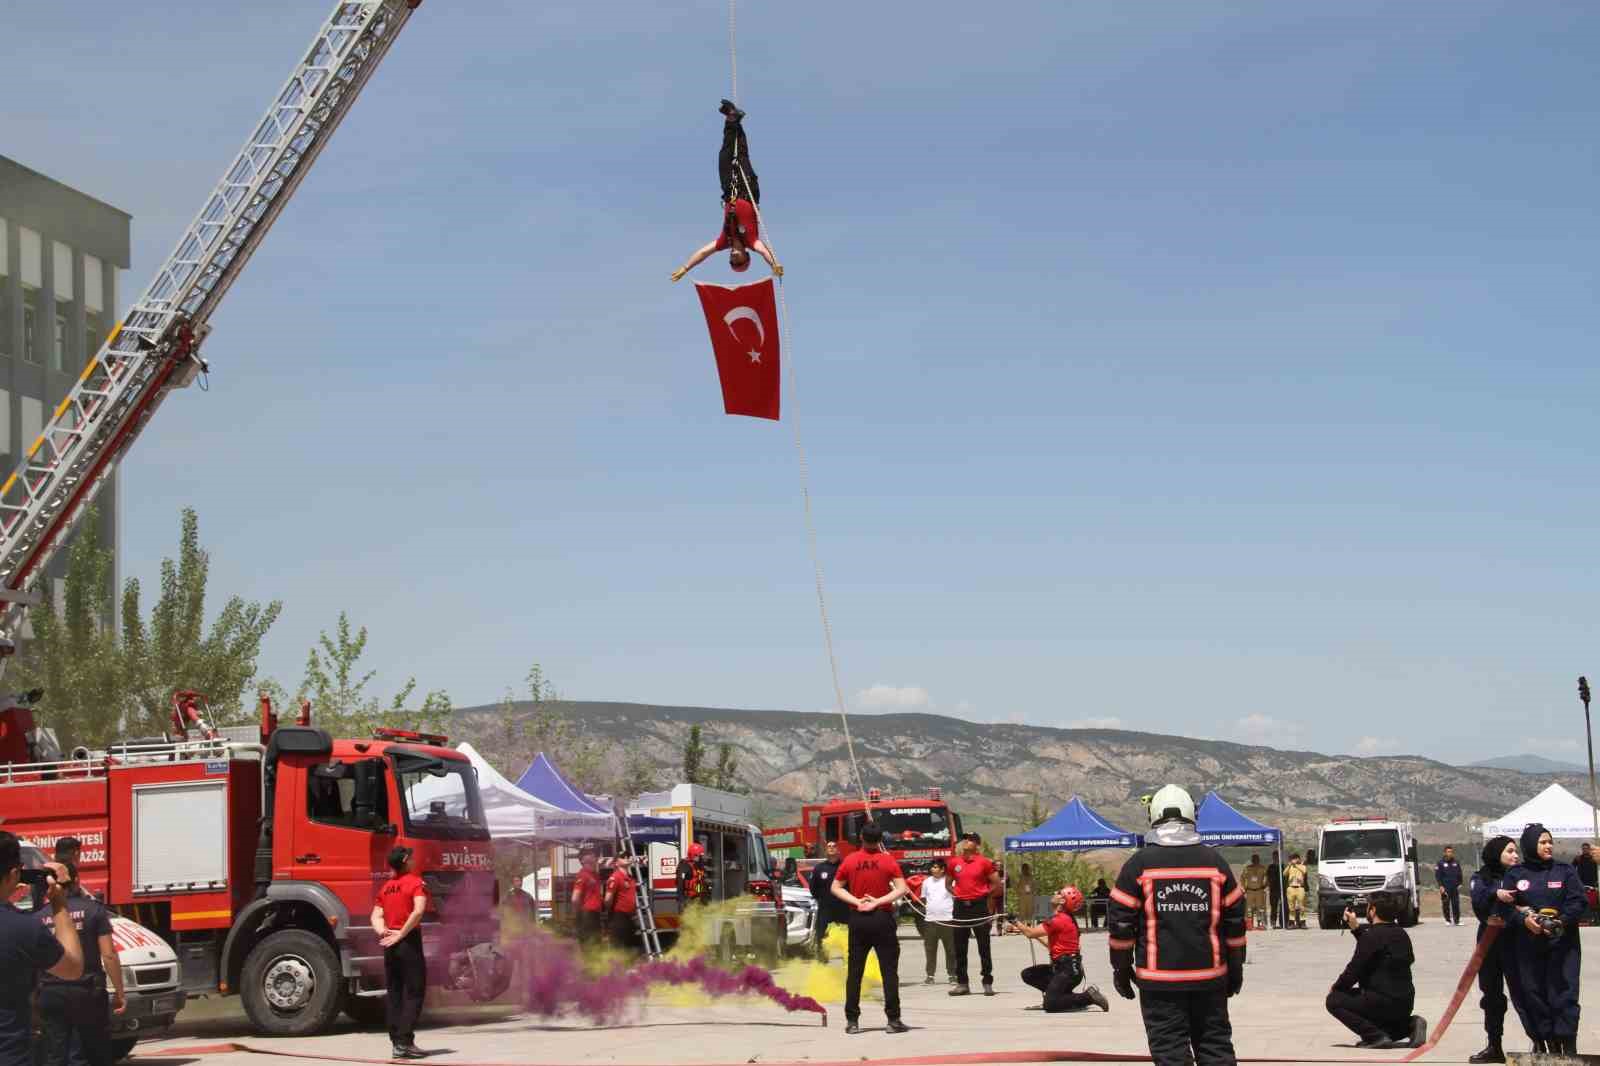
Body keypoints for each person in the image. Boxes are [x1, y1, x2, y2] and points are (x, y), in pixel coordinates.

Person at [1108, 784, 1244, 1066]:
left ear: (1154, 816)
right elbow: (1235, 923)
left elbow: (1121, 925)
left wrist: (1121, 968)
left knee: (1170, 1053)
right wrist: (1236, 966)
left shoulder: (1140, 864)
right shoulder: (1214, 862)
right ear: (1191, 816)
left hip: (1160, 982)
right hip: (1209, 977)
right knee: (1215, 1049)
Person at [1496, 823, 1585, 1055]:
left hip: (1563, 945)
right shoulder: (1515, 874)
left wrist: (1561, 921)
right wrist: (1524, 920)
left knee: (1564, 994)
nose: (1548, 846)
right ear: (1530, 845)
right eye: (1542, 842)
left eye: (1550, 842)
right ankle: (1546, 1042)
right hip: (1528, 946)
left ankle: (1568, 1043)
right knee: (1534, 994)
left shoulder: (1564, 871)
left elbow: (1578, 902)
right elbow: (1505, 909)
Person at [671, 105, 782, 282]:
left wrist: (685, 268)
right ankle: (736, 121)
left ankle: (732, 119)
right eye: (738, 261)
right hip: (747, 192)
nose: (733, 258)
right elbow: (763, 251)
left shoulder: (725, 241)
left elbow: (703, 253)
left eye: (731, 261)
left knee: (724, 157)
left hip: (729, 192)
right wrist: (774, 264)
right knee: (742, 156)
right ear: (746, 256)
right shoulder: (752, 241)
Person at [35, 860, 122, 1066]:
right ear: (75, 881)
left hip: (51, 991)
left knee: (55, 1053)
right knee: (92, 1051)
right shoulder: (94, 911)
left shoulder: (38, 916)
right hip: (87, 990)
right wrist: (119, 992)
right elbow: (108, 954)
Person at [830, 824, 910, 1035]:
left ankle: (852, 1021)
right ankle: (893, 1020)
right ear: (880, 839)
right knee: (889, 971)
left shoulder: (850, 860)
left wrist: (857, 902)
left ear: (861, 838)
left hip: (859, 919)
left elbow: (835, 887)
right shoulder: (887, 860)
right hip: (882, 917)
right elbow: (902, 889)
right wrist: (878, 902)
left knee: (855, 972)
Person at [1326, 892, 1427, 1049]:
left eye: (1368, 907)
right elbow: (1378, 947)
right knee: (1387, 1030)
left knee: (1333, 1001)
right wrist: (1357, 929)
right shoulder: (1401, 934)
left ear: (1372, 910)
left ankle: (1376, 1037)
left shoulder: (1371, 937)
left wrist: (1337, 988)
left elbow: (1353, 970)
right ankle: (1411, 1025)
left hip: (1381, 1001)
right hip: (1405, 1002)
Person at [1009, 886, 1110, 1014]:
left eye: (1058, 893)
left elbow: (1030, 933)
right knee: (1028, 974)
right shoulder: (1065, 918)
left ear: (1062, 901)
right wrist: (1026, 931)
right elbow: (1050, 944)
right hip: (1065, 968)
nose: (1054, 894)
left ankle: (1088, 997)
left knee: (1050, 1005)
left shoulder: (1058, 920)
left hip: (1068, 970)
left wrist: (1014, 921)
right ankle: (1062, 996)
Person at [373, 845, 429, 1060]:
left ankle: (397, 1042)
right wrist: (401, 934)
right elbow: (418, 911)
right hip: (407, 941)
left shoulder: (386, 887)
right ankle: (405, 1042)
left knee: (395, 992)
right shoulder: (415, 882)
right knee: (415, 991)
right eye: (412, 858)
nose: (414, 861)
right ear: (406, 860)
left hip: (390, 943)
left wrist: (383, 932)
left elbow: (375, 915)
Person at [1468, 835, 1517, 1064]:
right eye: (1509, 851)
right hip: (1489, 942)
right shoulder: (1482, 878)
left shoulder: (1521, 876)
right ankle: (1494, 1045)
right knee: (1492, 995)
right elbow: (1477, 900)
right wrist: (1494, 894)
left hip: (1517, 940)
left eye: (1516, 851)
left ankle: (1543, 1045)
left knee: (1527, 994)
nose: (1515, 855)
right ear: (1497, 853)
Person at [949, 836, 1000, 996]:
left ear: (976, 847)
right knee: (959, 947)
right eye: (964, 842)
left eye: (969, 842)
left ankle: (987, 982)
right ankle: (962, 983)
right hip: (960, 908)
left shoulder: (984, 862)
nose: (965, 845)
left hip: (979, 906)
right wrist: (957, 895)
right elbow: (948, 884)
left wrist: (984, 895)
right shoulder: (954, 863)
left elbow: (996, 882)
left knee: (984, 946)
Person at [918, 857, 956, 984]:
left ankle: (952, 975)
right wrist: (930, 909)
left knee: (951, 950)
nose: (932, 869)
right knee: (930, 950)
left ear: (942, 869)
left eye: (935, 867)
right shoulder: (926, 882)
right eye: (932, 867)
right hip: (930, 921)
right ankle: (930, 976)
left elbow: (956, 897)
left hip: (948, 920)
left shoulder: (950, 881)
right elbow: (923, 899)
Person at [809, 841, 844, 961]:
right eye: (829, 846)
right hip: (825, 909)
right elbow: (813, 889)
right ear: (825, 850)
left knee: (848, 937)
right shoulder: (819, 868)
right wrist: (822, 899)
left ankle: (849, 962)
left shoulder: (844, 866)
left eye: (834, 846)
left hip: (843, 908)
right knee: (821, 938)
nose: (831, 848)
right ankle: (822, 961)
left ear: (838, 850)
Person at [571, 849, 605, 945]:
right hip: (587, 915)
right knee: (589, 945)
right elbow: (575, 898)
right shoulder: (582, 875)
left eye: (593, 854)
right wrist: (580, 914)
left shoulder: (595, 875)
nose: (593, 856)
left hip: (595, 914)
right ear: (582, 860)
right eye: (589, 854)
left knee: (597, 945)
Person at [604, 857, 639, 952]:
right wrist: (611, 913)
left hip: (630, 916)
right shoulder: (615, 877)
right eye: (623, 857)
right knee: (619, 947)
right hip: (619, 916)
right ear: (616, 863)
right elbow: (607, 899)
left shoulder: (630, 878)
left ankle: (628, 966)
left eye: (628, 856)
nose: (626, 858)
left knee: (629, 947)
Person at [678, 841, 711, 910]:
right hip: (689, 898)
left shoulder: (699, 865)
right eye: (699, 856)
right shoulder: (684, 865)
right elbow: (680, 882)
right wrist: (681, 898)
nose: (700, 858)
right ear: (693, 855)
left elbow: (701, 879)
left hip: (699, 897)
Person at [1436, 846, 1464, 927]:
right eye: (1448, 852)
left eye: (1451, 852)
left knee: (1456, 904)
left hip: (1455, 887)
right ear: (1445, 853)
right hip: (1445, 887)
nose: (1450, 853)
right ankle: (1447, 920)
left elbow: (1460, 873)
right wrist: (1441, 886)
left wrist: (1460, 883)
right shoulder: (1440, 863)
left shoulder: (1456, 862)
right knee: (1446, 904)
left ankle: (1457, 920)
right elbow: (1438, 875)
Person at [1242, 854, 1269, 930]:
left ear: (1259, 859)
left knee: (1260, 908)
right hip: (1250, 891)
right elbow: (1242, 878)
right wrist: (1244, 888)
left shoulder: (1263, 868)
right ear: (1252, 860)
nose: (1255, 860)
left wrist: (1265, 886)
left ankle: (1260, 924)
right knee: (1249, 908)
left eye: (1256, 859)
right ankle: (1249, 925)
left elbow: (1267, 878)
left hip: (1259, 890)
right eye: (1254, 859)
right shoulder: (1247, 868)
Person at [1285, 854, 1310, 930]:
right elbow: (1284, 874)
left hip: (1300, 888)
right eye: (1294, 859)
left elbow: (1304, 871)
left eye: (1296, 858)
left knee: (1302, 906)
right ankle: (1292, 922)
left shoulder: (1302, 866)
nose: (1295, 860)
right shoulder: (1290, 867)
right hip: (1291, 888)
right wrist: (1289, 866)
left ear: (1299, 859)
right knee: (1291, 907)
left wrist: (1296, 865)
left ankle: (1303, 922)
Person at [1576, 843, 1598, 926]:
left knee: (1593, 902)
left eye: (1586, 848)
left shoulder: (1593, 859)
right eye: (1583, 848)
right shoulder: (1578, 859)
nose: (1585, 850)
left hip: (1593, 884)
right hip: (1581, 884)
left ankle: (1594, 919)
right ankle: (1583, 919)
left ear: (1589, 849)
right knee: (1583, 901)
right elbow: (1571, 868)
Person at [1267, 851, 1283, 930]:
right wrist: (1269, 885)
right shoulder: (1270, 867)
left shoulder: (1282, 866)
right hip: (1273, 890)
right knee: (1273, 906)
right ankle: (1273, 922)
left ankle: (1282, 922)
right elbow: (1268, 877)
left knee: (1282, 906)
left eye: (1277, 856)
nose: (1276, 858)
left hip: (1281, 889)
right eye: (1274, 857)